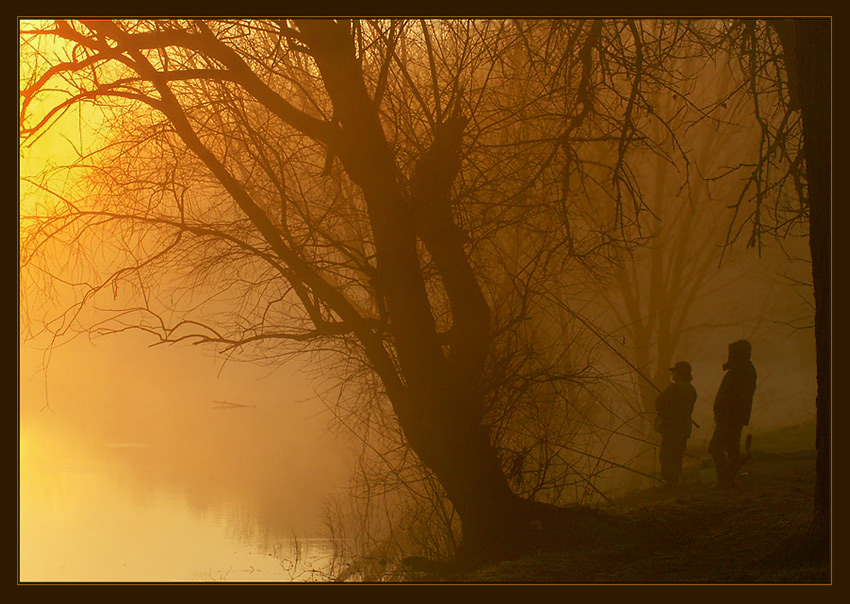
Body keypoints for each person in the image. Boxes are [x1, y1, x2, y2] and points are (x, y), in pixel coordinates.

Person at [709, 339, 757, 489]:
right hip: (733, 417)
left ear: (738, 354)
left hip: (729, 417)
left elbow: (734, 397)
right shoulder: (743, 369)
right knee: (731, 447)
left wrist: (723, 414)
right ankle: (730, 479)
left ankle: (725, 480)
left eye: (731, 353)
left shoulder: (740, 371)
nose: (728, 356)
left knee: (715, 447)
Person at [654, 361, 697, 487]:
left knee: (667, 455)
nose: (672, 373)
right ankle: (674, 481)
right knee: (678, 455)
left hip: (671, 427)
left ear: (679, 373)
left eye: (674, 371)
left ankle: (667, 482)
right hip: (684, 428)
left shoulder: (674, 388)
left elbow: (659, 404)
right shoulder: (691, 389)